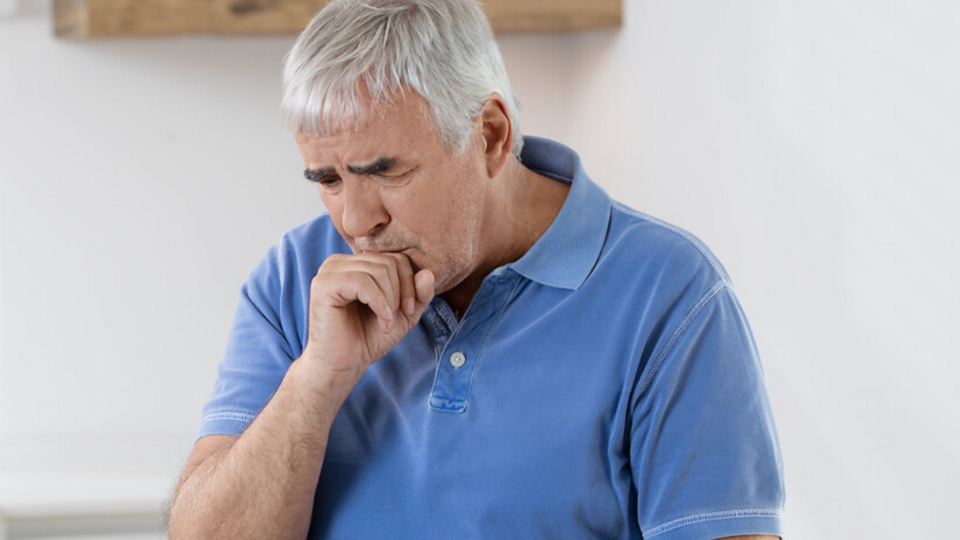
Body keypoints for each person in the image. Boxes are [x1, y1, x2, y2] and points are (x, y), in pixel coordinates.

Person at [167, 1, 785, 539]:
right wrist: (317, 379)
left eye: (386, 171)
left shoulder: (671, 297)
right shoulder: (292, 278)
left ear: (489, 135)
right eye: (328, 180)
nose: (355, 220)